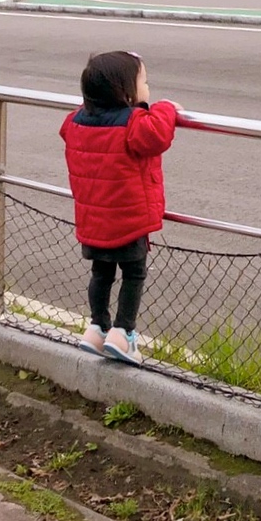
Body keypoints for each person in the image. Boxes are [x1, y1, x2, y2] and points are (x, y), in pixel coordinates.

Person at [60, 51, 181, 365]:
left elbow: (70, 129)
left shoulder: (76, 121)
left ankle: (97, 326)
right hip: (128, 221)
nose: (148, 87)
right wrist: (166, 108)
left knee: (100, 273)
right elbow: (157, 135)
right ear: (126, 92)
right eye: (143, 81)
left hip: (93, 220)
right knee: (134, 274)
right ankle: (123, 333)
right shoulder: (134, 123)